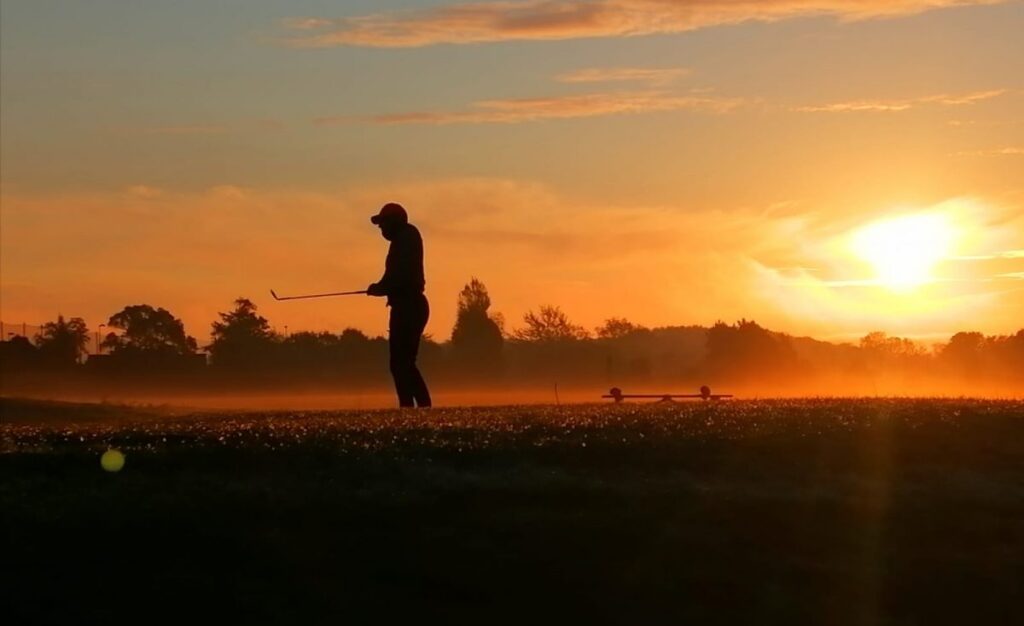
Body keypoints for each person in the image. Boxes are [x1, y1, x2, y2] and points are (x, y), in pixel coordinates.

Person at [367, 203, 432, 408]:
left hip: (409, 306)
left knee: (401, 363)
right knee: (402, 363)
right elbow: (395, 276)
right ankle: (414, 407)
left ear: (394, 221)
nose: (381, 228)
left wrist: (379, 288)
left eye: (383, 223)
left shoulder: (405, 238)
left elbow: (398, 276)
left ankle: (416, 407)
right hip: (407, 305)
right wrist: (380, 287)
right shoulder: (405, 238)